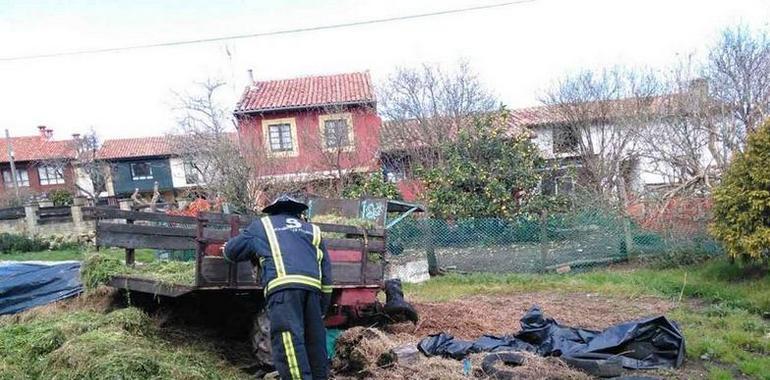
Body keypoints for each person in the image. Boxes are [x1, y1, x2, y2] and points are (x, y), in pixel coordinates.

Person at [224, 195, 332, 380]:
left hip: (283, 288)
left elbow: (232, 251)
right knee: (315, 342)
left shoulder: (262, 226)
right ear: (298, 213)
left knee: (289, 342)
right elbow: (327, 273)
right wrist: (322, 306)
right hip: (313, 290)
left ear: (272, 211)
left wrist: (225, 249)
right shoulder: (313, 230)